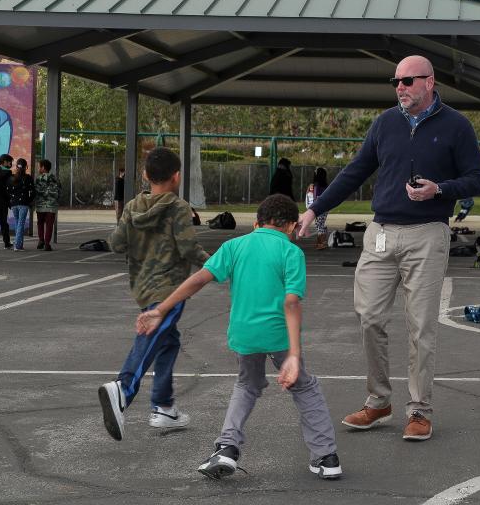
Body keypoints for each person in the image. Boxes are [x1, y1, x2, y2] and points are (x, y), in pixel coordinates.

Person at [297, 55, 480, 442]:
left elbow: (478, 179)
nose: (400, 87)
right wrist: (316, 209)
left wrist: (441, 189)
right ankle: (378, 400)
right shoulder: (384, 124)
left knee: (421, 327)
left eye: (408, 80)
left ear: (429, 82)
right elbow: (355, 171)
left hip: (428, 234)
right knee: (368, 317)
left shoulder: (456, 126)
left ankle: (419, 410)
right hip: (381, 232)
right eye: (396, 81)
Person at [136, 194, 341, 480]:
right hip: (280, 336)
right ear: (293, 226)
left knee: (247, 385)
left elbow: (198, 280)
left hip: (244, 335)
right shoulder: (292, 253)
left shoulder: (234, 246)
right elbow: (292, 302)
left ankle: (227, 448)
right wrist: (293, 354)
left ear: (257, 222)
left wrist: (161, 309)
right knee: (305, 388)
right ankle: (326, 456)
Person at [98, 147, 209, 442]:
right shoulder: (178, 207)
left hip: (142, 286)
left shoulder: (134, 205)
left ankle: (164, 407)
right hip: (171, 289)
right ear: (177, 177)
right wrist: (217, 264)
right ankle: (123, 389)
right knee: (151, 335)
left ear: (145, 175)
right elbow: (188, 248)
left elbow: (117, 244)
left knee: (168, 342)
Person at [6, 158, 36, 251]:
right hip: (23, 203)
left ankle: (19, 244)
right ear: (26, 167)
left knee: (17, 223)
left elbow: (8, 191)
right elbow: (33, 191)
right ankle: (18, 245)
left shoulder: (11, 178)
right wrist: (29, 201)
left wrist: (10, 202)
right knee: (21, 224)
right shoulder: (28, 178)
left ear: (16, 166)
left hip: (14, 203)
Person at [34, 159, 60, 251]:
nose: (38, 168)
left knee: (40, 223)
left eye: (39, 166)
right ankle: (47, 244)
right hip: (51, 206)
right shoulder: (55, 179)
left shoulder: (38, 179)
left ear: (43, 168)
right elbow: (59, 192)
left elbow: (35, 191)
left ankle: (41, 240)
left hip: (40, 206)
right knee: (49, 225)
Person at [305, 167, 330, 250]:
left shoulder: (316, 185)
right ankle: (323, 242)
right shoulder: (326, 185)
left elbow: (315, 196)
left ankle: (320, 243)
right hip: (325, 206)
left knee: (319, 225)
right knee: (321, 224)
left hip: (318, 207)